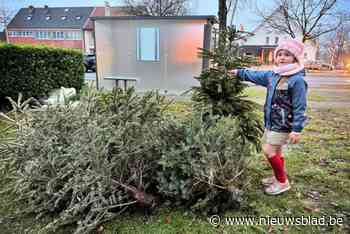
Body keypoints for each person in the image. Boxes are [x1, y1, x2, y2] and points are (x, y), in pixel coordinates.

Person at [229, 39, 308, 195]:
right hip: (272, 122)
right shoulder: (273, 75)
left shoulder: (297, 80)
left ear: (295, 58)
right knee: (277, 151)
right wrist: (239, 73)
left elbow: (300, 106)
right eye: (280, 54)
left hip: (284, 124)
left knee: (268, 149)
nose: (282, 58)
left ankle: (282, 182)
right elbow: (255, 75)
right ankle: (279, 176)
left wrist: (297, 129)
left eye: (287, 55)